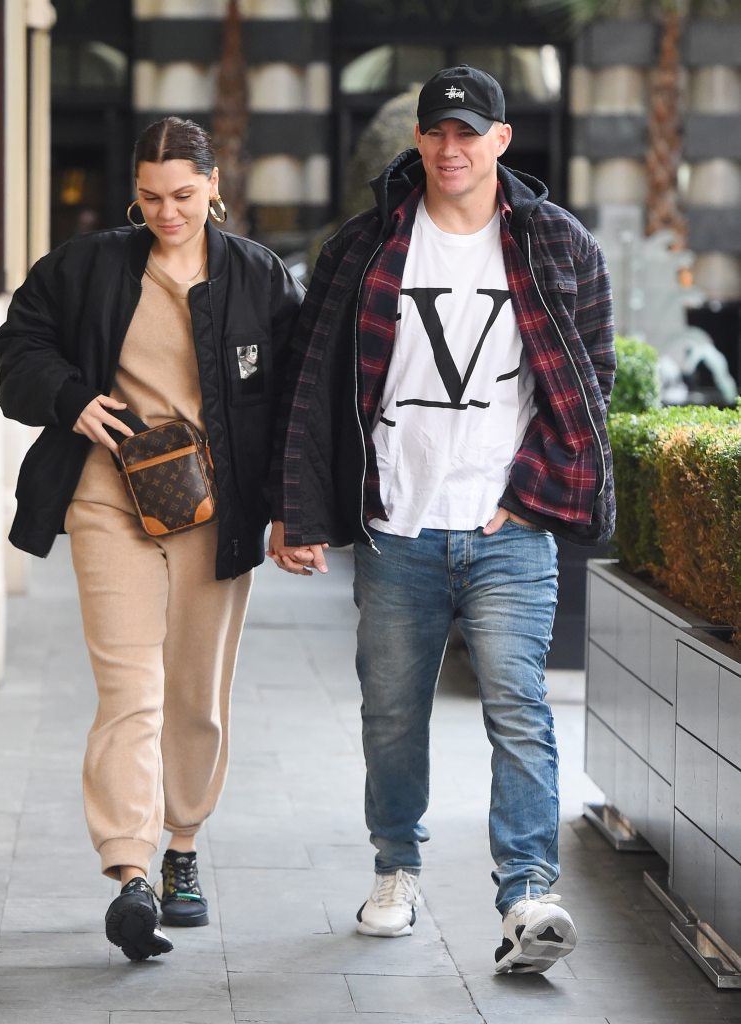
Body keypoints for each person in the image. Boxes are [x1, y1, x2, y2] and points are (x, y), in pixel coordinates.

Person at [267, 66, 615, 974]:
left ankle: (528, 895)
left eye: (469, 132)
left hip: (510, 530)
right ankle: (396, 870)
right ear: (419, 140)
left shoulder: (556, 244)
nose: (450, 148)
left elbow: (590, 384)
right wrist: (300, 512)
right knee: (392, 715)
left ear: (502, 139)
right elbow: (311, 386)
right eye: (437, 132)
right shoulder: (365, 248)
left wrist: (528, 495)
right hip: (398, 529)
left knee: (519, 708)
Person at [0, 117, 303, 961]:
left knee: (195, 691)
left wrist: (293, 512)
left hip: (215, 509)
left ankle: (183, 847)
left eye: (184, 196)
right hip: (108, 497)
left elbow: (294, 400)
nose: (168, 213)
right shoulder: (88, 266)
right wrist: (69, 399)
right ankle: (130, 871)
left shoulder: (259, 278)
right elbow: (19, 341)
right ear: (135, 191)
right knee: (129, 688)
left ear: (213, 187)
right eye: (152, 197)